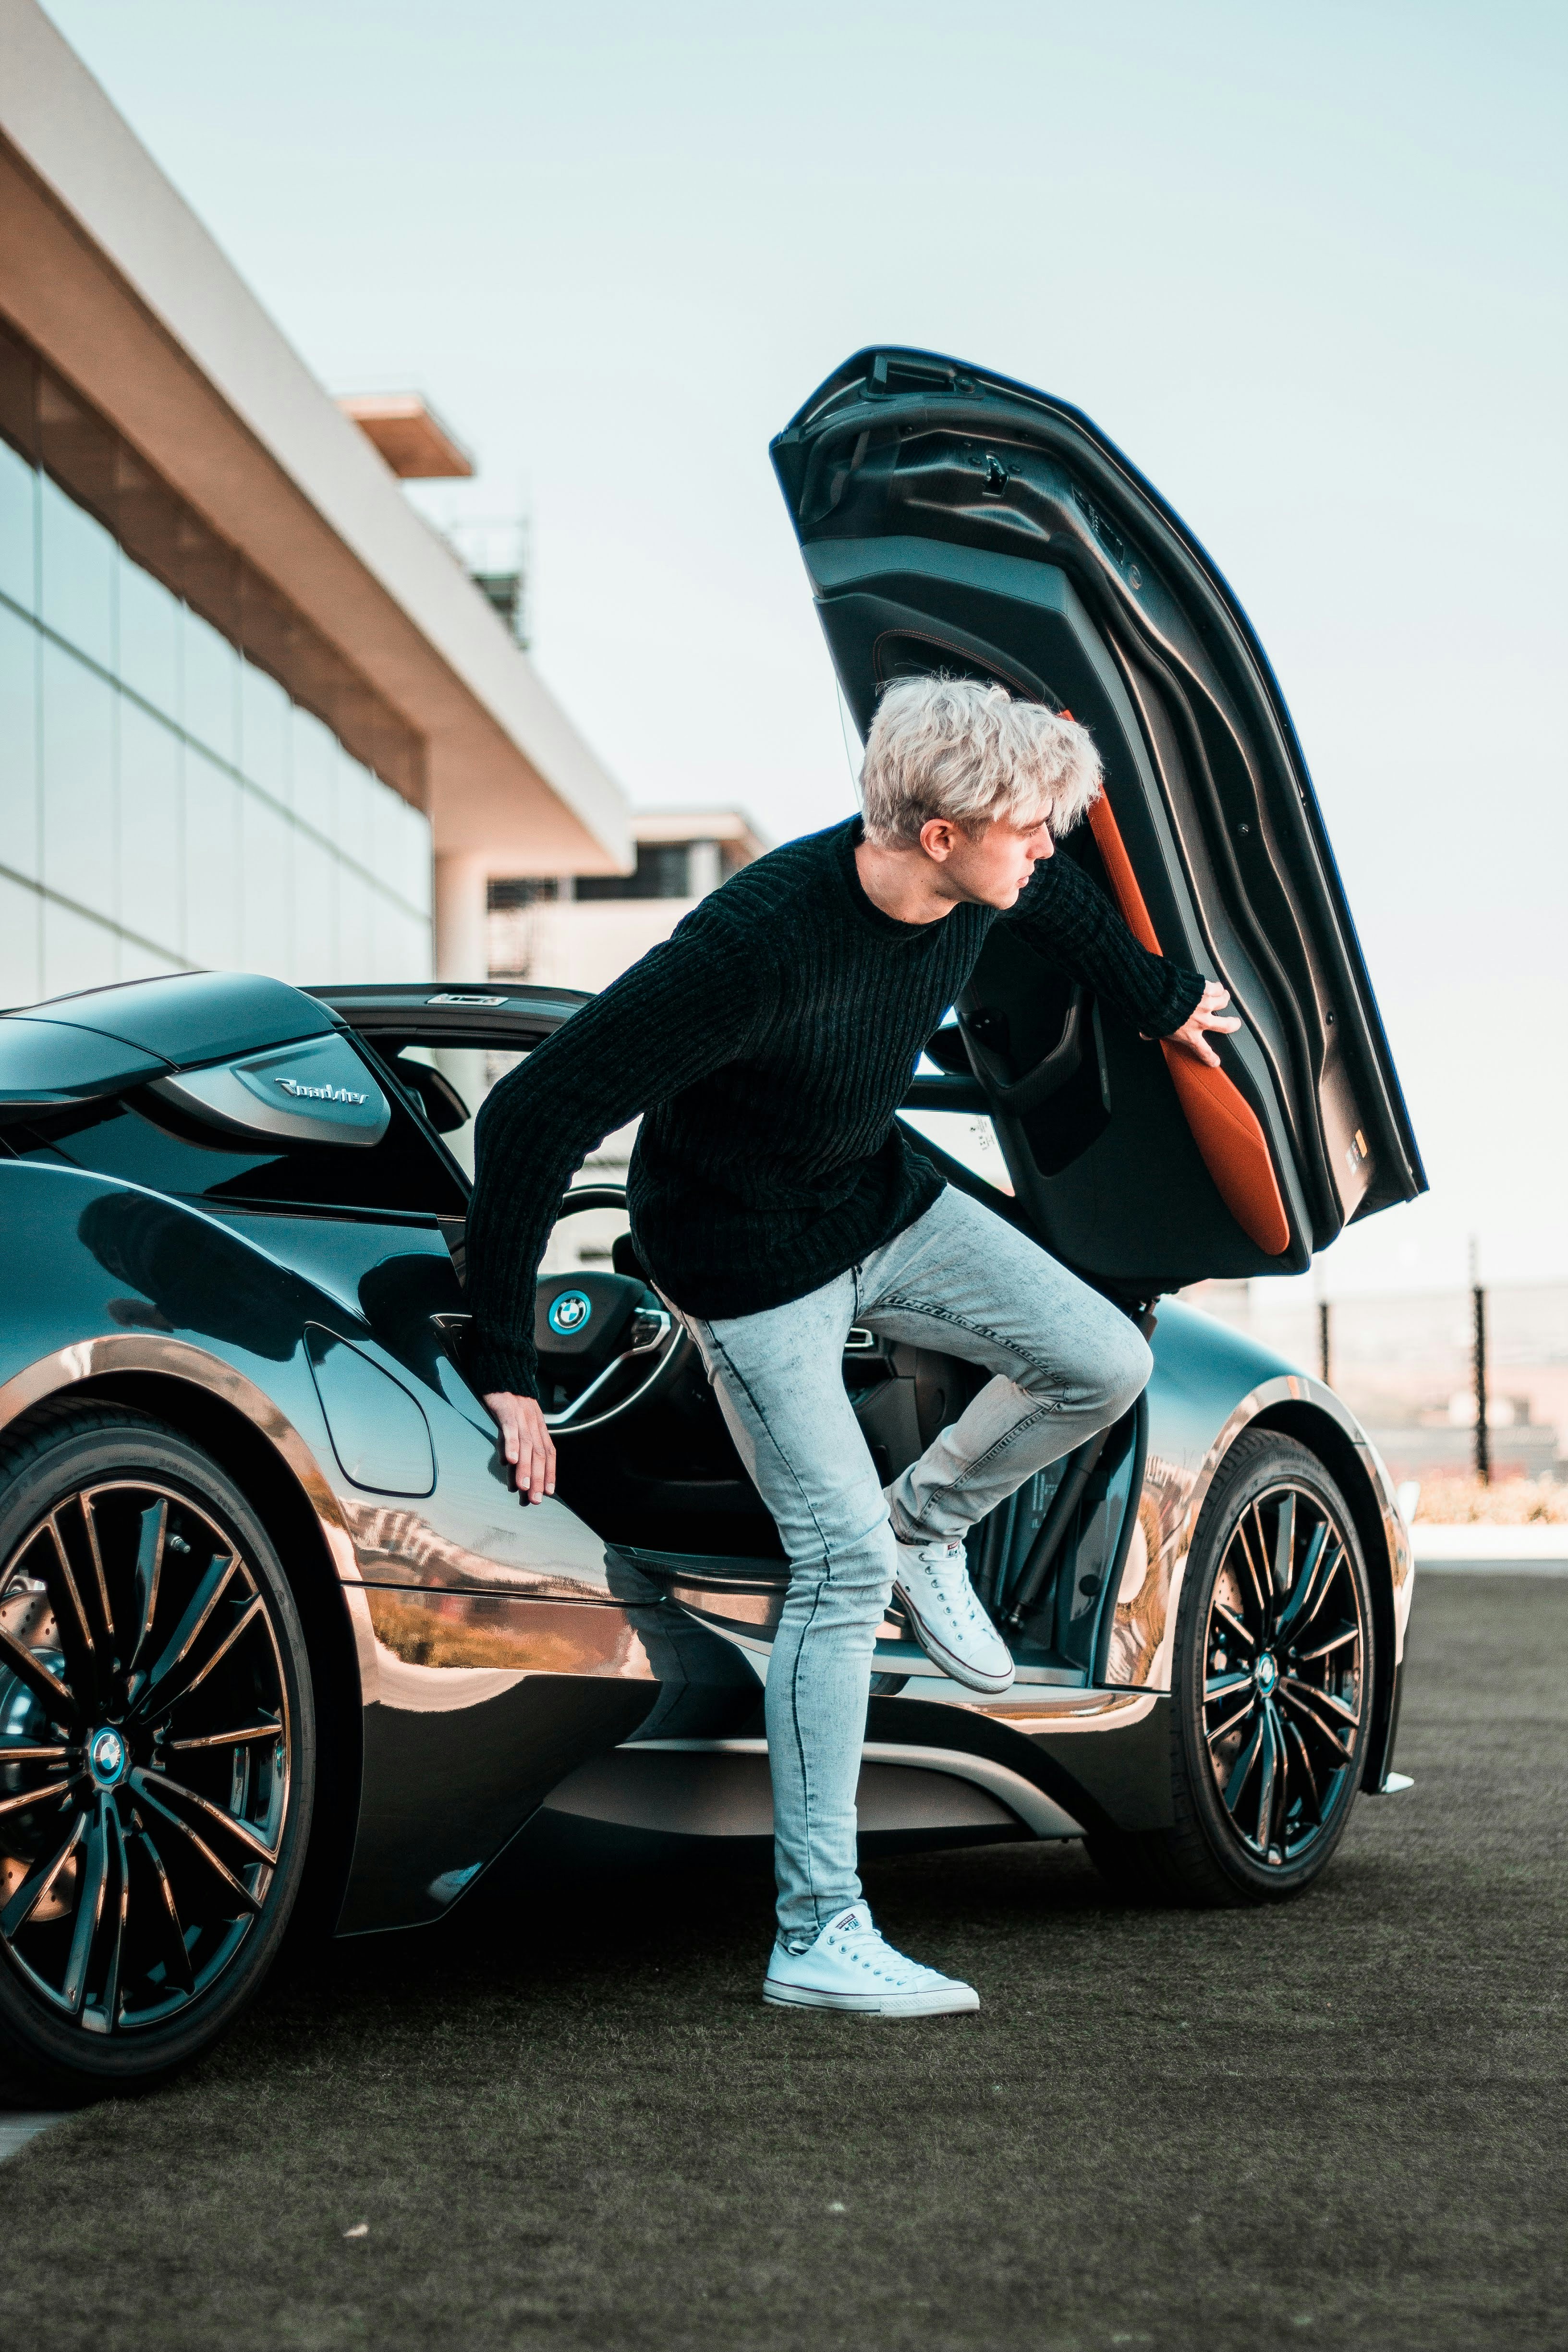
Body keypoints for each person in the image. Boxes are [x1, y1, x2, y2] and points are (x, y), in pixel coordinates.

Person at [465, 678, 1236, 2016]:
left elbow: (1054, 903)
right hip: (745, 1259)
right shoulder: (754, 945)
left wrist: (1160, 995)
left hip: (871, 1192)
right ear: (938, 834)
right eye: (1027, 827)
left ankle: (932, 1521)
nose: (1045, 846)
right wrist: (503, 1365)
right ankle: (817, 1931)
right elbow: (529, 1117)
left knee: (1102, 1360)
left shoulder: (974, 878)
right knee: (837, 1560)